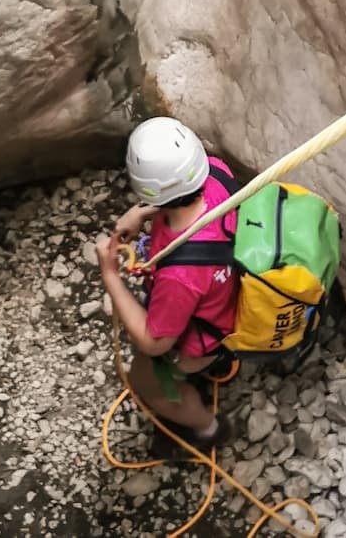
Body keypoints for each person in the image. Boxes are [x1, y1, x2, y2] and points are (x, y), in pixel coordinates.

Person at [96, 116, 239, 450]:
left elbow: (154, 343)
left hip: (204, 334)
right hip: (227, 294)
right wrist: (142, 212)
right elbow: (183, 191)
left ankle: (208, 428)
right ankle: (215, 365)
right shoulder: (217, 173)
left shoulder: (180, 275)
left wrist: (110, 276)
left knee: (147, 383)